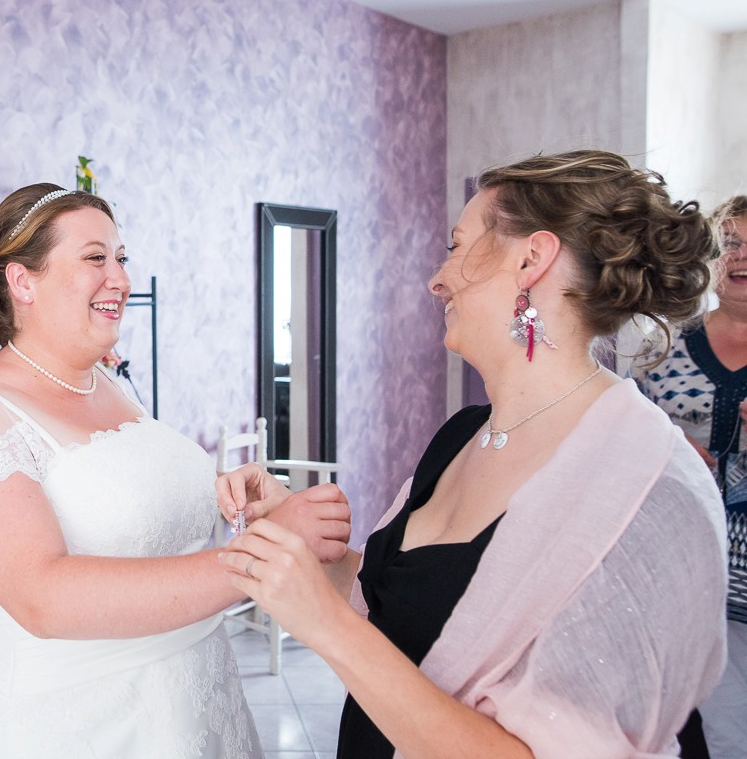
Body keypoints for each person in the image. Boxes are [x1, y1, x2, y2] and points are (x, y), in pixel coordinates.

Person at [218, 150, 729, 759]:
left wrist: (327, 628)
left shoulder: (650, 488)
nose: (439, 277)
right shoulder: (461, 435)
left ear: (531, 259)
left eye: (457, 246)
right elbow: (407, 602)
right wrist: (299, 537)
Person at [0, 183, 353, 758]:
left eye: (121, 258)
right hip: (83, 730)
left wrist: (250, 503)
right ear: (23, 281)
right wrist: (261, 556)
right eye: (95, 258)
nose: (119, 278)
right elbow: (42, 597)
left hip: (199, 710)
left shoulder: (109, 384)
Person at [632, 194, 747, 759]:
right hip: (675, 571)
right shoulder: (663, 347)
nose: (742, 258)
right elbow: (616, 440)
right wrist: (660, 440)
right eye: (731, 244)